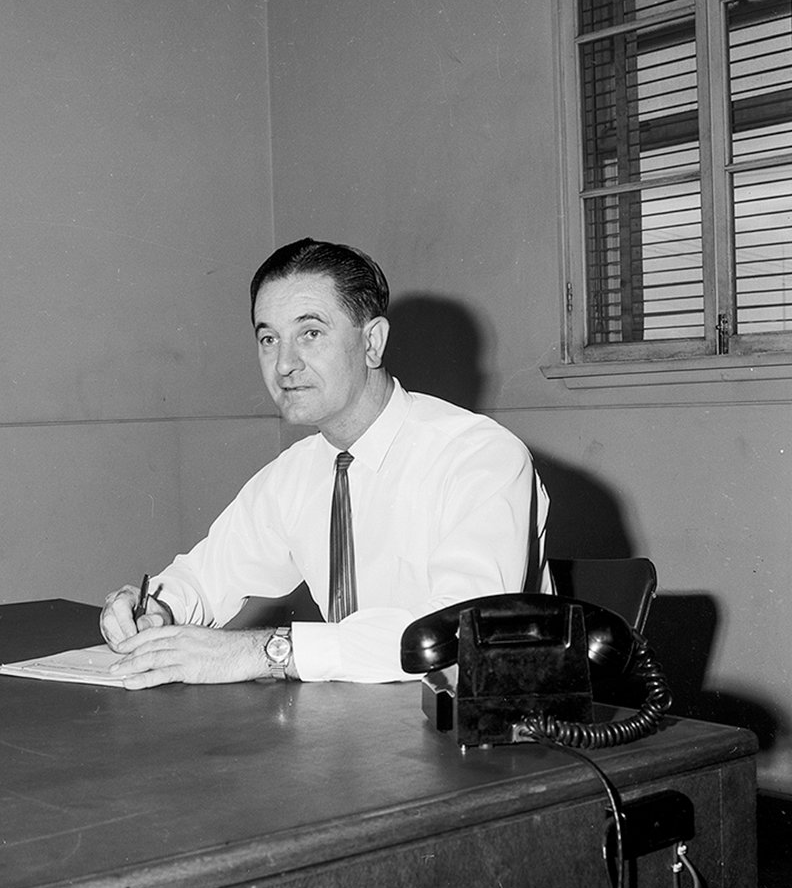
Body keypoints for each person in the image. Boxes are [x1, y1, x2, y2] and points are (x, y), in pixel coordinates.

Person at [100, 238, 550, 688]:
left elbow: (457, 632)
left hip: (486, 717)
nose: (283, 364)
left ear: (372, 342)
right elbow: (205, 576)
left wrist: (267, 651)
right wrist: (156, 609)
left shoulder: (481, 457)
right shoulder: (294, 474)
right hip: (352, 719)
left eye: (310, 333)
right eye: (269, 339)